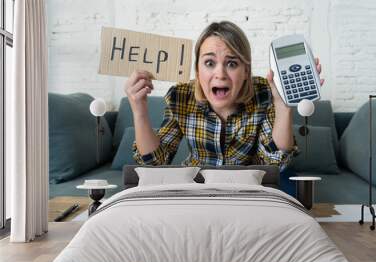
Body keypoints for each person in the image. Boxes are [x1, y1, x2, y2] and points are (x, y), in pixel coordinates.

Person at [124, 21, 322, 173]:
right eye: (209, 63)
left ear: (246, 71)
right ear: (197, 70)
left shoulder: (263, 93)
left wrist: (283, 104)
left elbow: (274, 163)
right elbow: (157, 162)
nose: (220, 74)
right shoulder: (180, 97)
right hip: (196, 188)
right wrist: (139, 110)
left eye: (232, 63)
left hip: (246, 191)